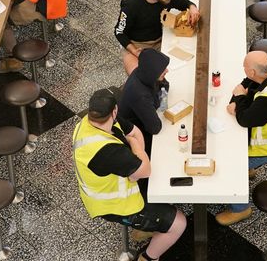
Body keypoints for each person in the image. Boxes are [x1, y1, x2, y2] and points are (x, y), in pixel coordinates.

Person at [73, 89, 186, 261]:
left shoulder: (88, 123)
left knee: (160, 179)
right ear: (114, 111)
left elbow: (135, 132)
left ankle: (147, 228)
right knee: (179, 223)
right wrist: (137, 150)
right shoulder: (105, 151)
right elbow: (145, 169)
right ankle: (148, 257)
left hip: (123, 183)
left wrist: (138, 162)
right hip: (116, 205)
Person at [215, 51, 267, 226]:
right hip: (262, 132)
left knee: (231, 165)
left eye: (245, 68)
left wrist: (239, 99)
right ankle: (249, 169)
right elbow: (246, 83)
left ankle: (240, 209)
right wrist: (238, 101)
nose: (244, 71)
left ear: (254, 71)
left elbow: (245, 119)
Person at [114, 0, 200, 75]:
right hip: (137, 45)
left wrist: (192, 7)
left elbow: (183, 2)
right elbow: (119, 32)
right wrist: (134, 51)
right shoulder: (131, 5)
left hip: (159, 41)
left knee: (180, 69)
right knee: (139, 76)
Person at [116, 48, 170, 158]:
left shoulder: (143, 73)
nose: (167, 71)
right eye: (163, 69)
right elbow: (155, 128)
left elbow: (165, 85)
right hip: (136, 132)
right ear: (152, 72)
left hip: (142, 118)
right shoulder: (139, 95)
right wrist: (157, 102)